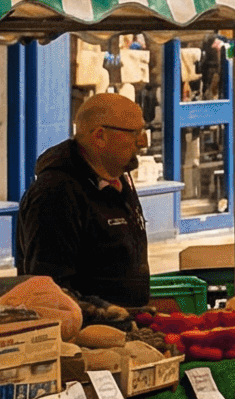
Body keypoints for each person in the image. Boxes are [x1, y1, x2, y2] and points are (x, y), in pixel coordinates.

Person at [11, 91, 152, 307]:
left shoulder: (119, 180)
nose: (143, 142)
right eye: (135, 133)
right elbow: (50, 288)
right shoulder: (55, 193)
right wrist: (103, 312)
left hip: (126, 322)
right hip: (87, 326)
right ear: (100, 136)